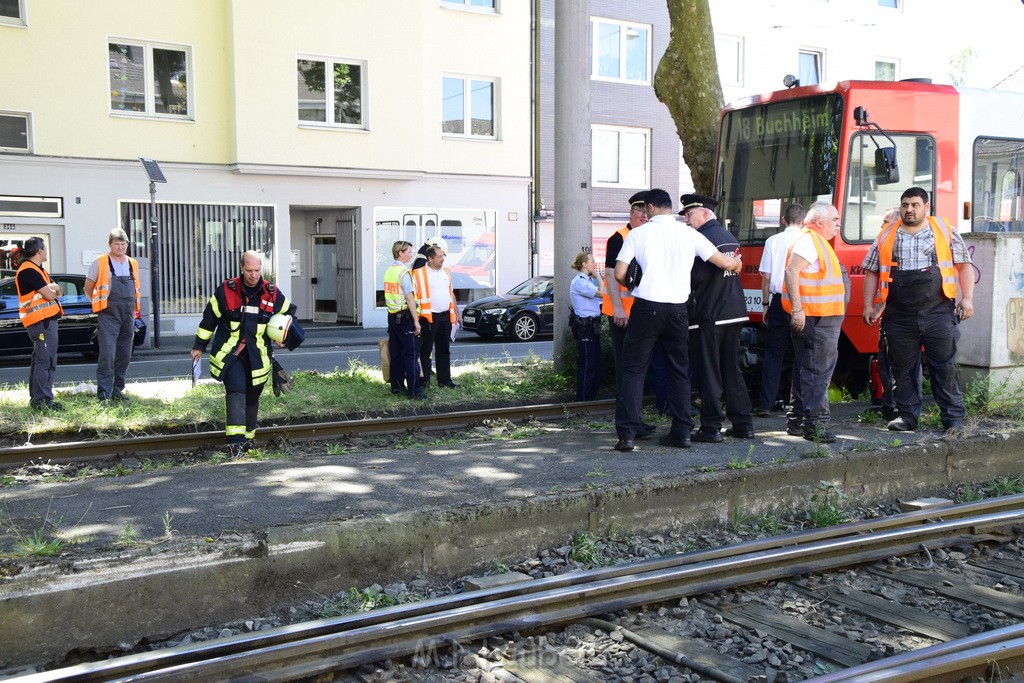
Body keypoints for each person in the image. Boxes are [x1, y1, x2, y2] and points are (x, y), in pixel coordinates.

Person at [612, 189, 743, 452]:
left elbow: (619, 273)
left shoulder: (638, 234)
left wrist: (634, 280)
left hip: (646, 309)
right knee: (679, 370)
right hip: (678, 312)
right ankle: (682, 432)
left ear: (649, 208)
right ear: (669, 208)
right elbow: (723, 262)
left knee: (634, 370)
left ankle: (626, 435)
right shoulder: (689, 233)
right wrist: (736, 264)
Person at [861, 187, 974, 432]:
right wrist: (869, 305)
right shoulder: (886, 234)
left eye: (914, 204)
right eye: (905, 205)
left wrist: (967, 299)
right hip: (899, 314)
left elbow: (964, 266)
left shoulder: (944, 231)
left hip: (938, 312)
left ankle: (952, 416)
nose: (909, 209)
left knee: (944, 366)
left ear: (926, 206)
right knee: (902, 368)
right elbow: (871, 271)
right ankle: (906, 416)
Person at [191, 251, 295, 454]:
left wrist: (283, 337)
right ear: (241, 268)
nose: (254, 275)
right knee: (237, 392)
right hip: (231, 354)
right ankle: (236, 444)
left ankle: (248, 441)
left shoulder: (271, 292)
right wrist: (198, 347)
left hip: (258, 357)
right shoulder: (226, 291)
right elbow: (208, 321)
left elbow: (289, 313)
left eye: (257, 270)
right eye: (249, 270)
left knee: (252, 397)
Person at [681, 193, 754, 442]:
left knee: (708, 371)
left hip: (709, 313)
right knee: (731, 368)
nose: (687, 220)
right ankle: (743, 423)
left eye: (689, 214)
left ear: (704, 213)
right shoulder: (728, 236)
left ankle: (711, 427)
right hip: (733, 311)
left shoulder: (701, 238)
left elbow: (694, 277)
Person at [782, 202, 848, 443]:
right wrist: (798, 310)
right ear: (820, 222)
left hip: (815, 316)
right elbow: (792, 272)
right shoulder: (810, 240)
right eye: (835, 221)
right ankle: (815, 425)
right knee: (817, 372)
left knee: (805, 369)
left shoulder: (813, 240)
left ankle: (797, 420)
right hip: (815, 318)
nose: (837, 226)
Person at [602, 191, 665, 434]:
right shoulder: (619, 237)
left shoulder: (644, 236)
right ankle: (629, 422)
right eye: (639, 211)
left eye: (645, 211)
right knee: (626, 369)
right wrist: (618, 308)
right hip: (622, 315)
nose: (643, 216)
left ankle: (634, 420)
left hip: (641, 313)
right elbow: (610, 274)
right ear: (631, 213)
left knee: (637, 369)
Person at [755, 203, 806, 416]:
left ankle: (765, 404)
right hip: (802, 302)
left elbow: (766, 277)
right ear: (803, 221)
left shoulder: (772, 241)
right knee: (803, 353)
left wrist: (765, 304)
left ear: (783, 220)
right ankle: (801, 405)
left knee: (774, 354)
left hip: (778, 301)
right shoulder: (807, 240)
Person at [84, 228, 140, 402]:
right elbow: (88, 287)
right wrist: (98, 304)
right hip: (108, 314)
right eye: (117, 244)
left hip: (128, 314)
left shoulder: (132, 263)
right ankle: (104, 394)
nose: (121, 247)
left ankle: (117, 390)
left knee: (124, 353)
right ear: (110, 245)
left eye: (123, 244)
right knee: (107, 354)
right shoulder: (100, 262)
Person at [15, 237, 63, 411]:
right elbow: (52, 295)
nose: (47, 251)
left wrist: (54, 288)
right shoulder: (29, 271)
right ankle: (43, 401)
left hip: (44, 321)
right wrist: (54, 288)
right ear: (40, 251)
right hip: (41, 322)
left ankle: (39, 399)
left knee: (41, 360)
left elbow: (58, 291)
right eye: (45, 248)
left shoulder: (37, 269)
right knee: (46, 360)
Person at [414, 244, 461, 389]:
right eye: (440, 256)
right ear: (430, 258)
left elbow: (450, 293)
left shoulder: (446, 272)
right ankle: (424, 382)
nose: (443, 259)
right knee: (425, 351)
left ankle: (445, 380)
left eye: (443, 256)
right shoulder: (418, 274)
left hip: (445, 316)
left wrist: (456, 312)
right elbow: (413, 297)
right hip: (428, 318)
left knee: (444, 350)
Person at [383, 240, 424, 399]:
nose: (411, 254)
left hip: (392, 317)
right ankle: (414, 391)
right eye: (408, 251)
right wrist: (416, 321)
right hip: (405, 317)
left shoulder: (388, 271)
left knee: (396, 353)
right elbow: (409, 298)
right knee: (411, 353)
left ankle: (397, 387)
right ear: (400, 253)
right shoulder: (403, 272)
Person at [569, 251, 604, 401]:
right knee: (588, 364)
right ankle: (582, 401)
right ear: (584, 264)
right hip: (585, 328)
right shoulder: (580, 282)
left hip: (592, 326)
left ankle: (590, 399)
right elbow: (602, 294)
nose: (595, 264)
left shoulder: (586, 281)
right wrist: (598, 277)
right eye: (592, 261)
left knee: (595, 363)